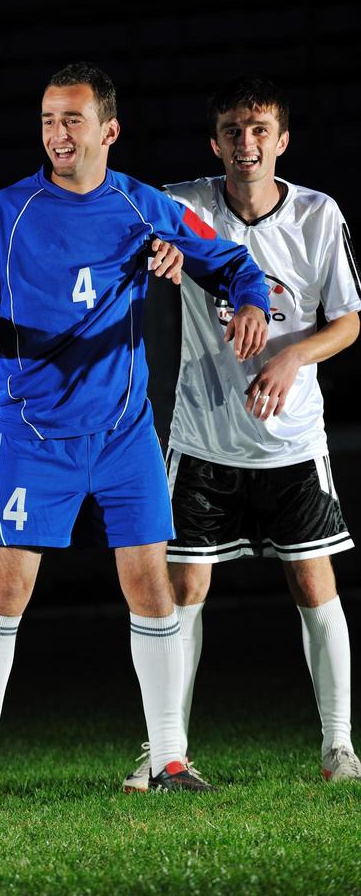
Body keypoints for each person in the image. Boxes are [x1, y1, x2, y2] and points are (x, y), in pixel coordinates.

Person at [0, 61, 271, 810]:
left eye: (72, 120)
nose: (57, 135)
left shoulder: (145, 208)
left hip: (122, 433)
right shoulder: (4, 212)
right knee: (5, 588)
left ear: (108, 130)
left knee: (151, 583)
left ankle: (170, 760)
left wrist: (250, 305)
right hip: (30, 432)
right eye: (47, 120)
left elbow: (234, 263)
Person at [122, 76, 361, 792]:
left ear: (281, 141)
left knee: (313, 583)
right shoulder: (185, 206)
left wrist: (292, 355)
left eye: (259, 130)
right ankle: (164, 752)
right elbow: (118, 221)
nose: (245, 143)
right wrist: (152, 255)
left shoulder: (318, 216)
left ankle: (338, 747)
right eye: (231, 130)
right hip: (202, 438)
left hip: (291, 443)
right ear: (213, 143)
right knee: (180, 589)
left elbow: (348, 321)